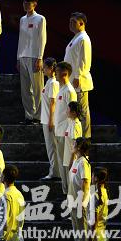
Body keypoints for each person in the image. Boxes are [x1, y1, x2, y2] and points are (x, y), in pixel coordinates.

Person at [16, 0, 46, 124]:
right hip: (23, 56)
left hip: (34, 57)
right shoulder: (22, 19)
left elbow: (42, 39)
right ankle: (29, 116)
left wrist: (40, 57)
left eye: (29, 2)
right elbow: (21, 39)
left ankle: (38, 116)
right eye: (24, 2)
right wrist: (18, 57)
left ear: (35, 4)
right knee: (25, 89)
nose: (26, 5)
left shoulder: (40, 19)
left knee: (37, 88)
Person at [63, 12, 93, 138]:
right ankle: (79, 136)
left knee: (82, 111)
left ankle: (85, 138)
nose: (70, 24)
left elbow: (84, 60)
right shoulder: (76, 38)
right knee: (76, 109)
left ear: (81, 23)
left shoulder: (83, 39)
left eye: (73, 22)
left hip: (79, 81)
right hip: (72, 80)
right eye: (70, 21)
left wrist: (77, 76)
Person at [53, 61, 76, 195]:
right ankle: (65, 191)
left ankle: (69, 192)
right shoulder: (61, 89)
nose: (55, 74)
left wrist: (68, 133)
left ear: (64, 73)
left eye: (57, 71)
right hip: (59, 131)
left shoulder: (69, 91)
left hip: (65, 133)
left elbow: (72, 114)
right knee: (62, 163)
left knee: (66, 163)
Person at [40, 57, 60, 181]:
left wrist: (51, 120)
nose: (43, 69)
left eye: (45, 67)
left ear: (51, 68)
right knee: (50, 147)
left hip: (49, 120)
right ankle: (55, 171)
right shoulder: (49, 82)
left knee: (52, 147)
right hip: (46, 118)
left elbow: (53, 102)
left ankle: (54, 172)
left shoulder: (53, 83)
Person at [68, 137, 91, 241]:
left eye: (74, 144)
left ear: (79, 147)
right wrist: (72, 154)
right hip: (73, 200)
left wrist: (80, 201)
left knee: (82, 230)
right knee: (77, 230)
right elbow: (69, 169)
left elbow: (85, 182)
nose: (71, 145)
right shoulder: (76, 160)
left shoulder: (83, 162)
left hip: (79, 202)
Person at [0, 165, 25, 241]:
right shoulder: (19, 194)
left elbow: (3, 222)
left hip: (7, 239)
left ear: (4, 177)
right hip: (17, 237)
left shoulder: (6, 196)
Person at [63, 102, 83, 181]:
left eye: (68, 109)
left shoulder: (75, 125)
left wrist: (71, 162)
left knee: (71, 185)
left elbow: (76, 146)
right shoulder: (71, 122)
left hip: (72, 161)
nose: (66, 111)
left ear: (74, 112)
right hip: (68, 159)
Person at [89, 167, 108, 241]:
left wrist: (90, 239)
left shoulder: (95, 195)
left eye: (92, 175)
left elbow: (94, 220)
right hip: (102, 236)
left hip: (96, 238)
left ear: (96, 178)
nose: (91, 178)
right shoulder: (104, 191)